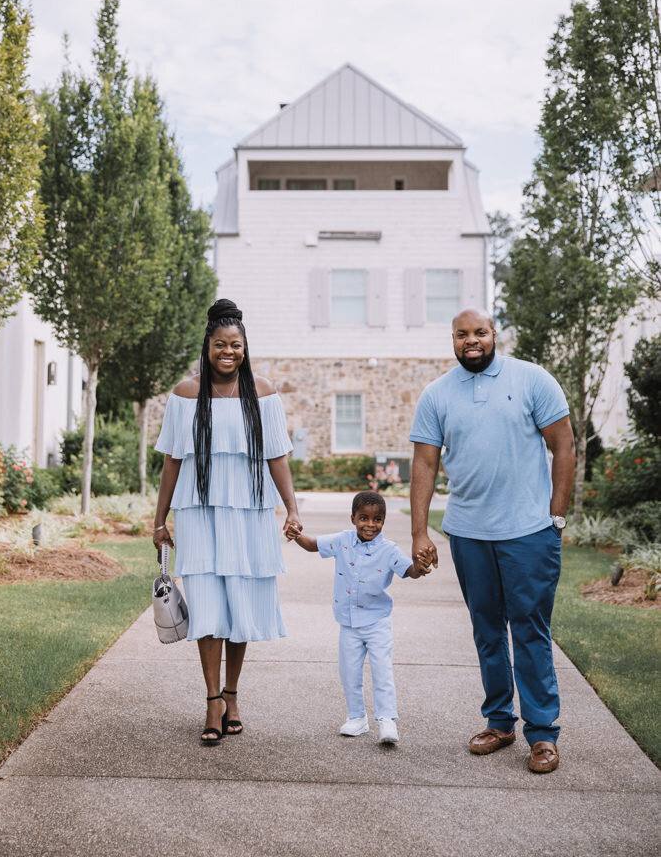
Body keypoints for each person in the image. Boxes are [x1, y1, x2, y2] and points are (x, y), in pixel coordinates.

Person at [409, 308, 575, 774]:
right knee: (486, 631)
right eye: (462, 334)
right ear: (453, 340)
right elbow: (424, 464)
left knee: (529, 629)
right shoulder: (437, 393)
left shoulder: (532, 380)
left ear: (494, 333)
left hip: (529, 533)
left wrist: (556, 517)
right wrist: (420, 531)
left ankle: (542, 734)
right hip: (468, 533)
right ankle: (500, 722)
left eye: (479, 332)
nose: (471, 341)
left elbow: (564, 445)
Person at [152, 299, 301, 746]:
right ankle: (212, 700)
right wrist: (159, 519)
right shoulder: (184, 394)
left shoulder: (265, 392)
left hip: (251, 511)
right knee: (209, 608)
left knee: (241, 607)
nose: (228, 352)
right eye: (220, 345)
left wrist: (292, 508)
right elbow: (172, 461)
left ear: (245, 347)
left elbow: (277, 455)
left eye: (236, 345)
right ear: (208, 346)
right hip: (199, 513)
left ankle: (233, 695)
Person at [286, 490, 433, 744]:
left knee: (382, 671)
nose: (370, 525)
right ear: (352, 518)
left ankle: (387, 720)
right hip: (348, 623)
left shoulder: (389, 550)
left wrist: (420, 567)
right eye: (363, 518)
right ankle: (357, 718)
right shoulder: (342, 541)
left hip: (377, 622)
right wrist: (296, 535)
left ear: (383, 521)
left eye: (377, 520)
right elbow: (312, 545)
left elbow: (409, 571)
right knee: (349, 672)